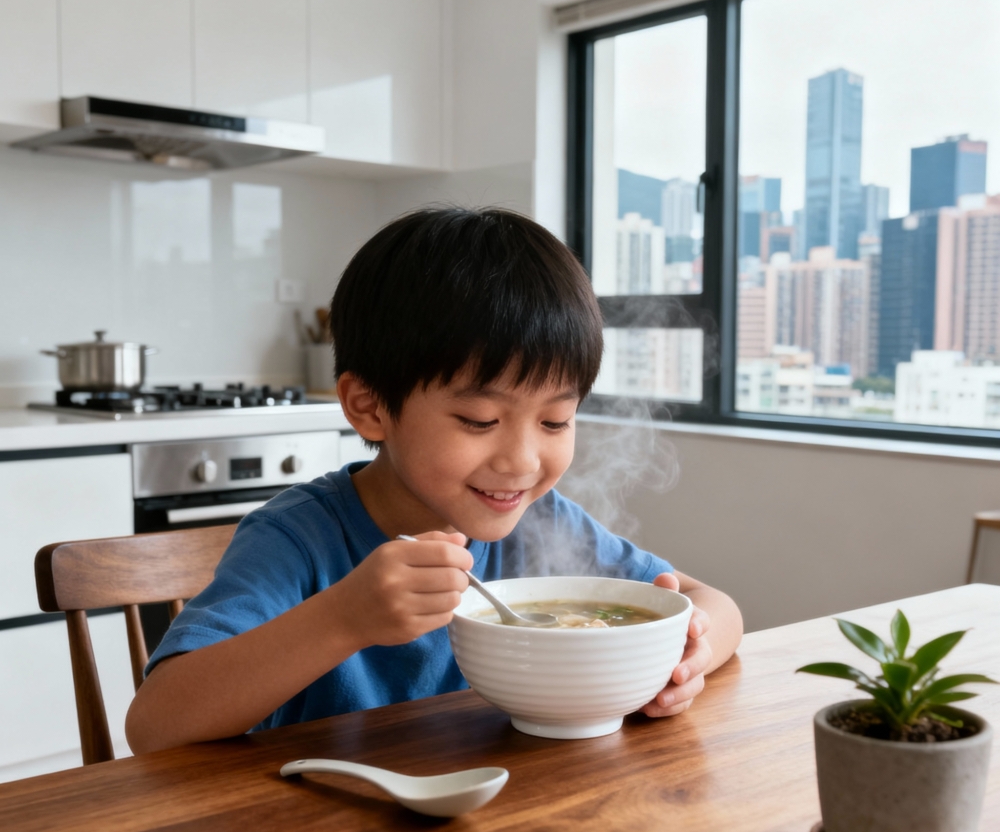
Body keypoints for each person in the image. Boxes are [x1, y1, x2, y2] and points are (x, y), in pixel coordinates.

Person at [126, 208, 742, 754]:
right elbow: (155, 725)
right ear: (370, 406)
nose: (522, 461)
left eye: (556, 420)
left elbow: (716, 607)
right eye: (480, 421)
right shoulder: (298, 541)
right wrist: (343, 619)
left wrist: (688, 656)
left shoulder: (542, 524)